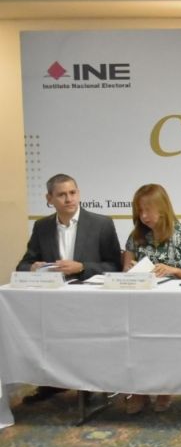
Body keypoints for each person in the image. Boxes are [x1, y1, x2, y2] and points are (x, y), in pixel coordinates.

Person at [16, 173, 122, 405]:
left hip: (90, 301)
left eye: (72, 193)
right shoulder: (42, 226)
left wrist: (81, 267)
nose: (68, 199)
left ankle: (91, 385)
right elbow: (23, 264)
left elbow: (115, 266)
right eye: (62, 195)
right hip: (52, 303)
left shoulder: (101, 224)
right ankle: (52, 383)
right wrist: (33, 267)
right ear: (49, 198)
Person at [122, 183, 181, 414]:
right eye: (139, 211)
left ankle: (165, 388)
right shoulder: (136, 236)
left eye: (148, 210)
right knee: (133, 338)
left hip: (174, 307)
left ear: (163, 208)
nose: (144, 216)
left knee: (164, 338)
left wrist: (173, 270)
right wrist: (132, 269)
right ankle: (138, 391)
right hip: (140, 305)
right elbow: (125, 271)